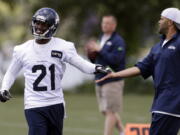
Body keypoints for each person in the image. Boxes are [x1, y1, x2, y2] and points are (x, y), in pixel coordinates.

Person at [0, 7, 110, 135]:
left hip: (55, 103)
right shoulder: (22, 49)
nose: (39, 27)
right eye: (37, 23)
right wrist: (4, 88)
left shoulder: (63, 47)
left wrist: (97, 67)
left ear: (52, 27)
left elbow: (81, 64)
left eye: (44, 24)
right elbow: (11, 72)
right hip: (33, 104)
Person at [96, 7, 180, 135]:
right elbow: (140, 68)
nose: (158, 21)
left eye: (161, 19)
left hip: (171, 103)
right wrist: (114, 74)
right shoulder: (157, 48)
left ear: (170, 22)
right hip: (160, 103)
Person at [85, 15, 126, 135]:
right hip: (100, 78)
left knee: (110, 111)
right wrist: (90, 53)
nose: (104, 25)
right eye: (103, 23)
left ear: (114, 25)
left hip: (113, 80)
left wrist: (100, 50)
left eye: (108, 23)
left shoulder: (118, 41)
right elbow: (97, 60)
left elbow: (116, 60)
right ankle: (123, 132)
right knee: (105, 111)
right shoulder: (101, 37)